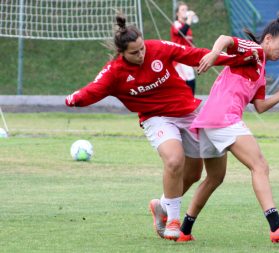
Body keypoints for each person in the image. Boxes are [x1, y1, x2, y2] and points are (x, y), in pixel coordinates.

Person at [64, 14, 257, 241]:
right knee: (174, 160)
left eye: (142, 48)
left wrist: (236, 59)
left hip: (188, 112)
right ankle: (173, 221)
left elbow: (194, 55)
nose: (141, 54)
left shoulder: (158, 48)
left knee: (194, 174)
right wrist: (73, 99)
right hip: (156, 118)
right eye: (134, 53)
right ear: (122, 53)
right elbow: (93, 91)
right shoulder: (114, 72)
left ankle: (162, 206)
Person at [176, 13, 279, 242]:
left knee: (214, 178)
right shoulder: (255, 51)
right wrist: (213, 54)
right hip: (223, 118)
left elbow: (260, 106)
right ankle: (276, 225)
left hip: (210, 120)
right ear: (268, 39)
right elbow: (224, 39)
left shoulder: (261, 71)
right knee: (259, 165)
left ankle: (184, 231)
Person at [170, 1, 198, 94]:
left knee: (188, 81)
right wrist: (189, 18)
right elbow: (182, 32)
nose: (185, 11)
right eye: (182, 10)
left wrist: (195, 60)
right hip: (179, 58)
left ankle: (189, 104)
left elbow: (189, 44)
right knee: (189, 80)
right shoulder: (176, 24)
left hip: (187, 57)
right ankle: (189, 104)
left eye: (186, 9)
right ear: (177, 13)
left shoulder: (188, 28)